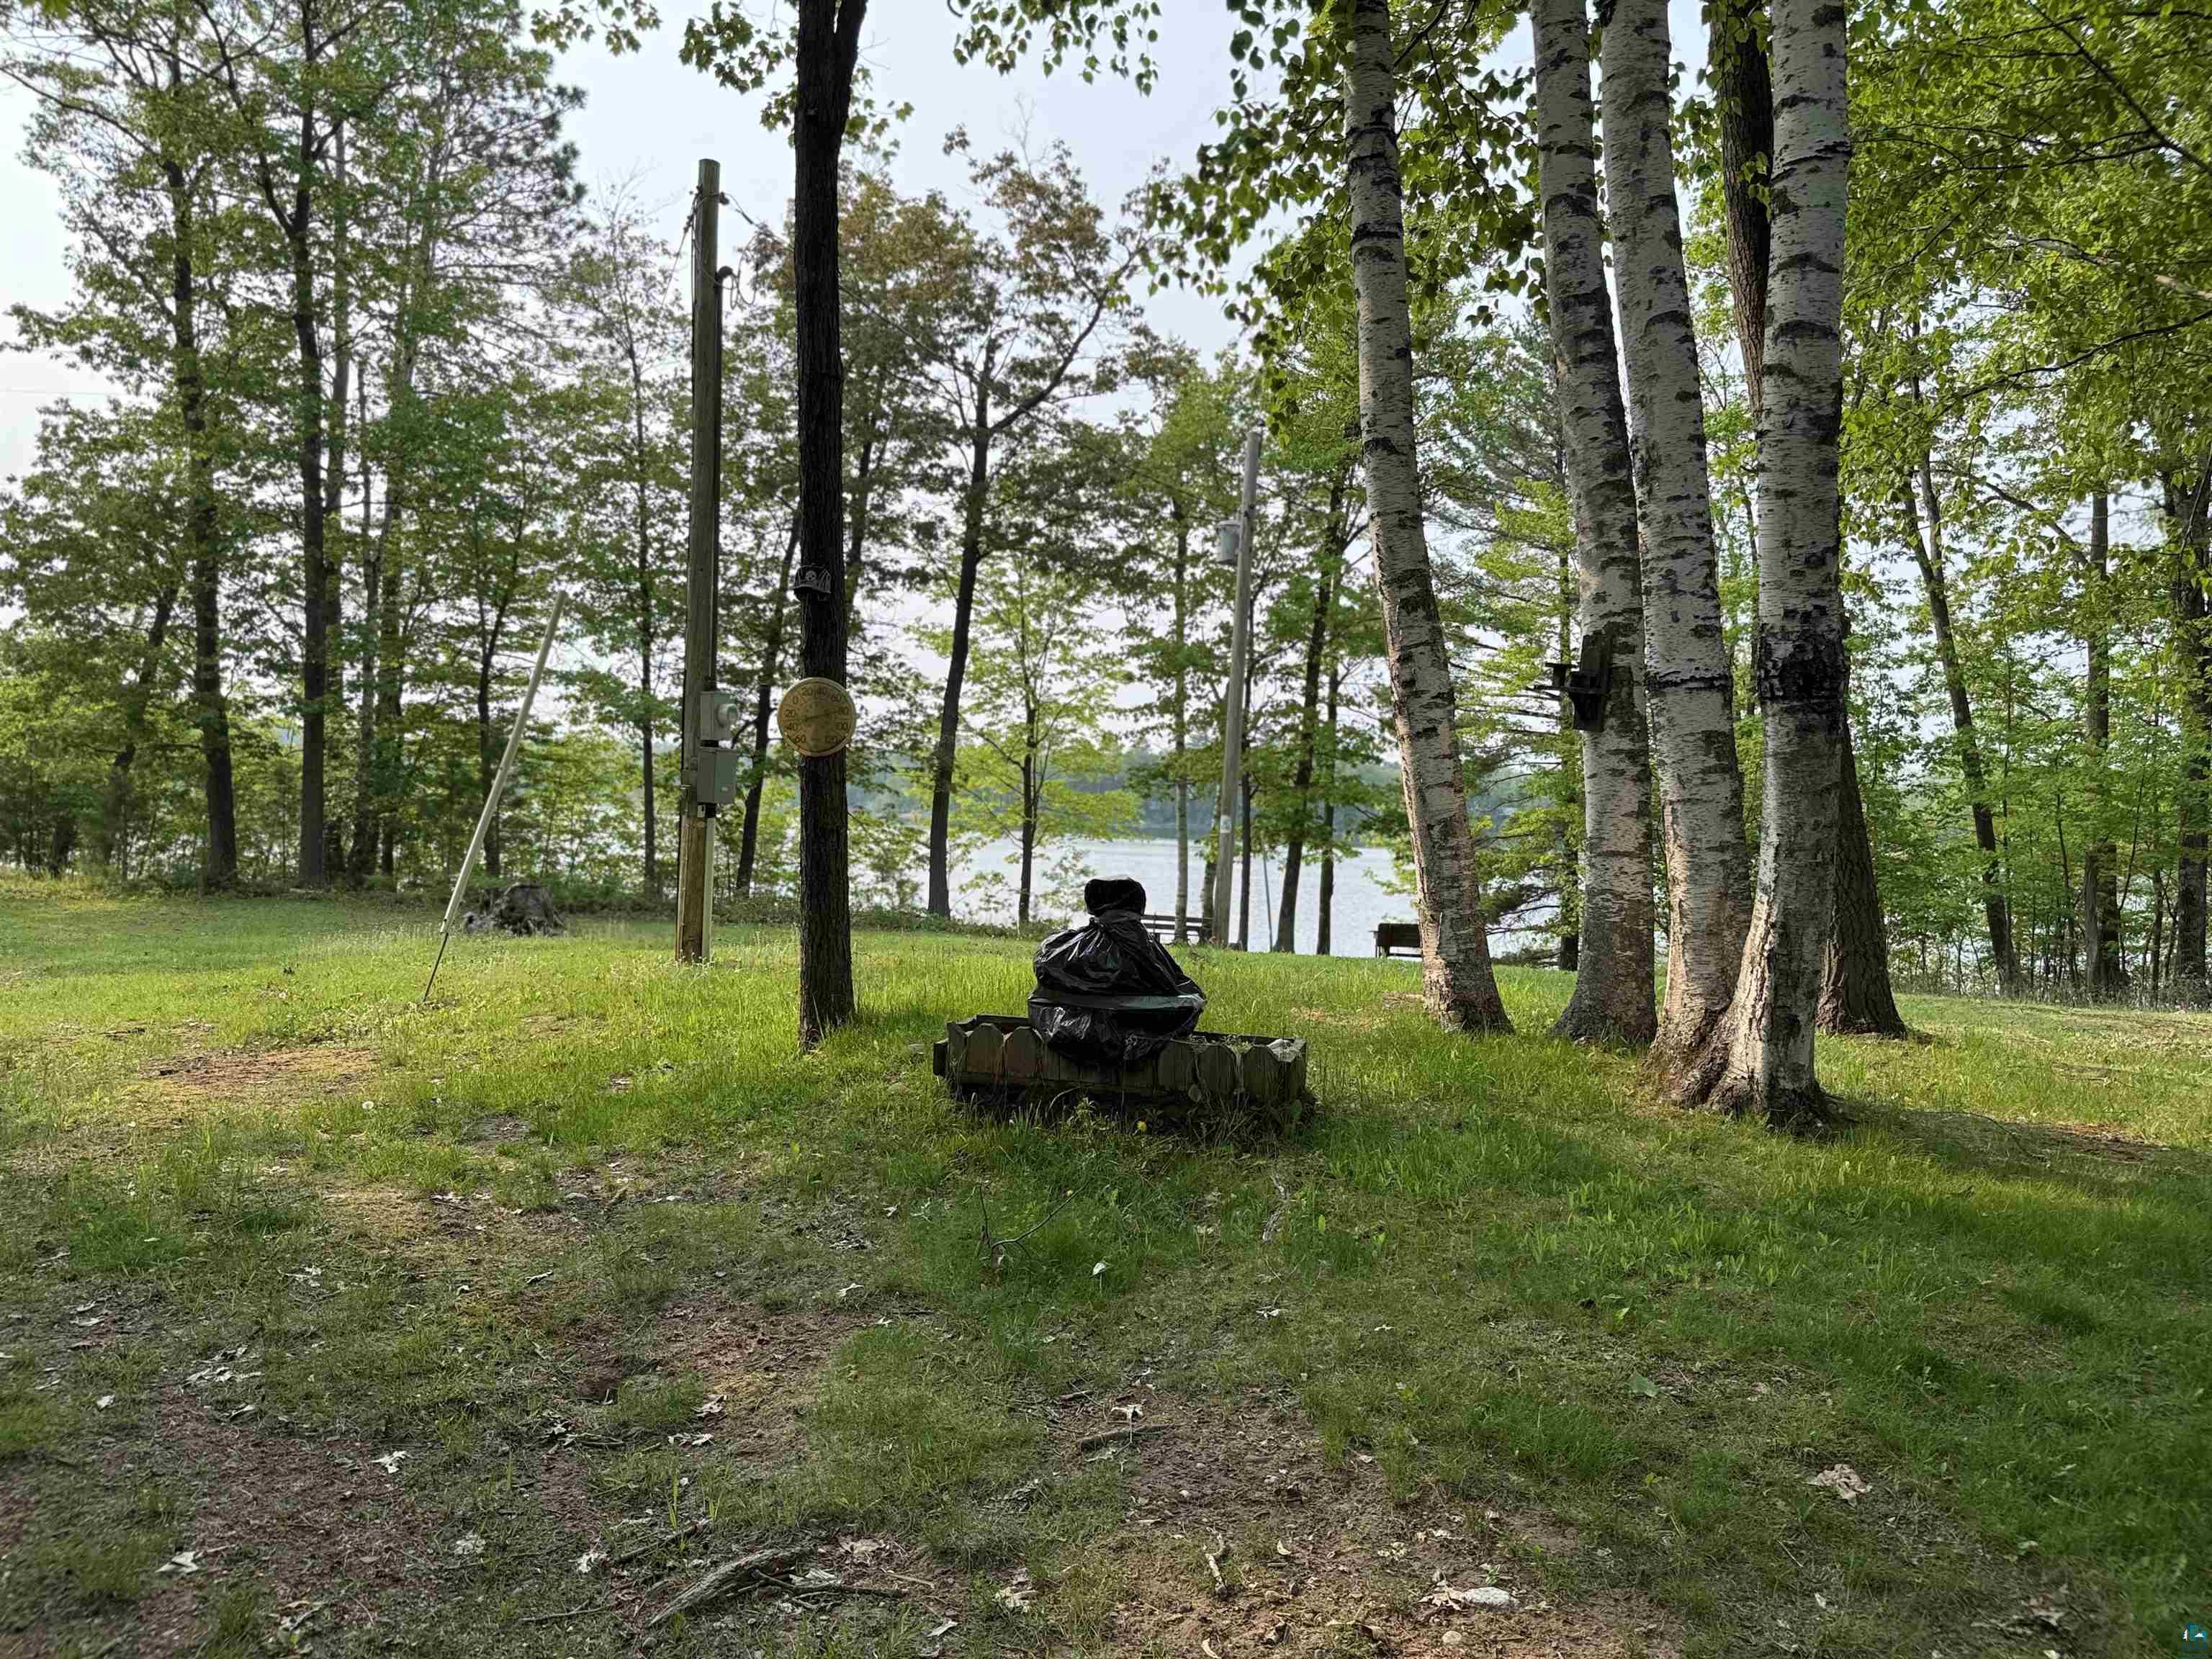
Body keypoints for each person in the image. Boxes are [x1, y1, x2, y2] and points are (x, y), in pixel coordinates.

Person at [1028, 876, 1206, 1066]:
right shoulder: (1142, 945)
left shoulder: (1074, 948)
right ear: (1138, 904)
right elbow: (1174, 988)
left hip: (1071, 1029)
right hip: (1137, 1026)